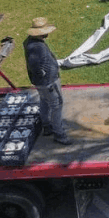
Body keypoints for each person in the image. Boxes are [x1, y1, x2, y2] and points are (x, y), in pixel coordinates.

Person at [24, 17, 72, 145]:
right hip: (48, 82)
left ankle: (47, 126)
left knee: (44, 101)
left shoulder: (30, 42)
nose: (48, 33)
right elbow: (35, 65)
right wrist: (44, 75)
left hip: (42, 82)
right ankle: (59, 134)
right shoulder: (36, 46)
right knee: (57, 105)